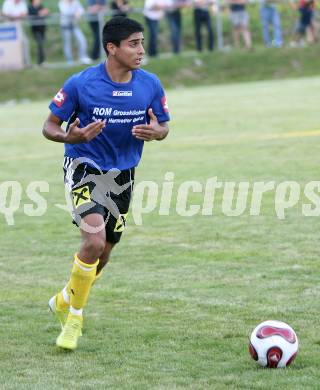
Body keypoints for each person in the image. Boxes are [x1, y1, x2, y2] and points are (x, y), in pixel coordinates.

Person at [42, 16, 170, 351]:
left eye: (141, 42)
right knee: (94, 241)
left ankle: (64, 299)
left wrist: (157, 133)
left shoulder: (150, 85)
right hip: (84, 167)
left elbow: (164, 126)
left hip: (123, 176)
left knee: (106, 251)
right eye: (133, 43)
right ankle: (74, 320)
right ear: (111, 48)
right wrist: (68, 136)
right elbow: (49, 125)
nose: (141, 49)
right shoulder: (81, 84)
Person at [58, 0, 92, 64]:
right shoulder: (62, 2)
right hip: (65, 26)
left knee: (82, 40)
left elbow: (81, 10)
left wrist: (79, 13)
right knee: (67, 44)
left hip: (74, 25)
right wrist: (76, 13)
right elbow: (65, 12)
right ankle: (69, 61)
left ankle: (83, 57)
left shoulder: (76, 2)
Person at [28, 0, 49, 65]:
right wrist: (40, 13)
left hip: (42, 29)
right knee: (40, 44)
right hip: (35, 30)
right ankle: (40, 62)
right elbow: (34, 15)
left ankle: (42, 61)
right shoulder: (30, 7)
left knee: (42, 45)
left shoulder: (40, 6)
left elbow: (46, 12)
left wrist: (43, 12)